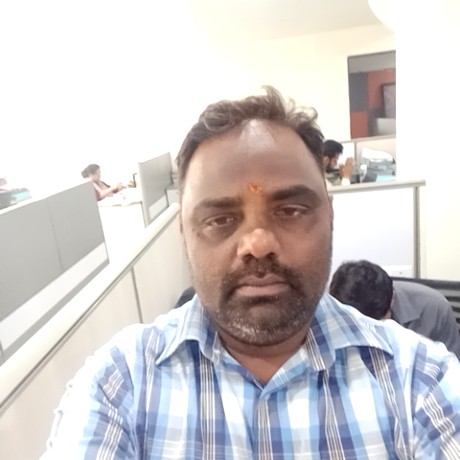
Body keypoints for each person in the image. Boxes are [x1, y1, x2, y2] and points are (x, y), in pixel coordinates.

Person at [42, 87, 460, 458]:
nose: (258, 243)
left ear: (329, 217)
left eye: (290, 210)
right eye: (220, 219)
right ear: (184, 234)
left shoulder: (420, 380)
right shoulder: (120, 384)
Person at [329, 259, 460, 359]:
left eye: (376, 326)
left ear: (392, 300)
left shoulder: (435, 310)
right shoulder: (330, 313)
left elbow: (452, 375)